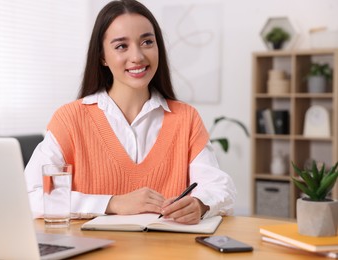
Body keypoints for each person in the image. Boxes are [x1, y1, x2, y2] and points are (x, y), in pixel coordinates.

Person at [25, 0, 236, 225]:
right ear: (102, 57)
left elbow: (221, 187)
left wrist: (200, 204)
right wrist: (113, 203)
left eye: (147, 42)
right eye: (121, 46)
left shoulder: (186, 118)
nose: (137, 56)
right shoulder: (70, 119)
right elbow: (31, 196)